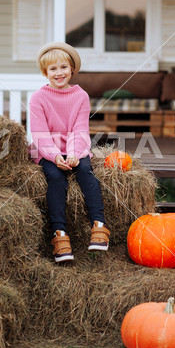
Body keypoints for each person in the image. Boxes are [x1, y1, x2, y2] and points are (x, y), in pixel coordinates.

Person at [29, 42, 110, 263]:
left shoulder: (80, 96)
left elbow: (80, 129)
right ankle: (59, 234)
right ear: (45, 72)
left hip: (76, 146)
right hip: (48, 150)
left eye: (63, 67)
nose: (59, 73)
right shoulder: (38, 98)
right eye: (53, 69)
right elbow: (40, 133)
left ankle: (99, 225)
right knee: (55, 177)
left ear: (72, 69)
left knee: (85, 170)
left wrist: (75, 153)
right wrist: (55, 156)